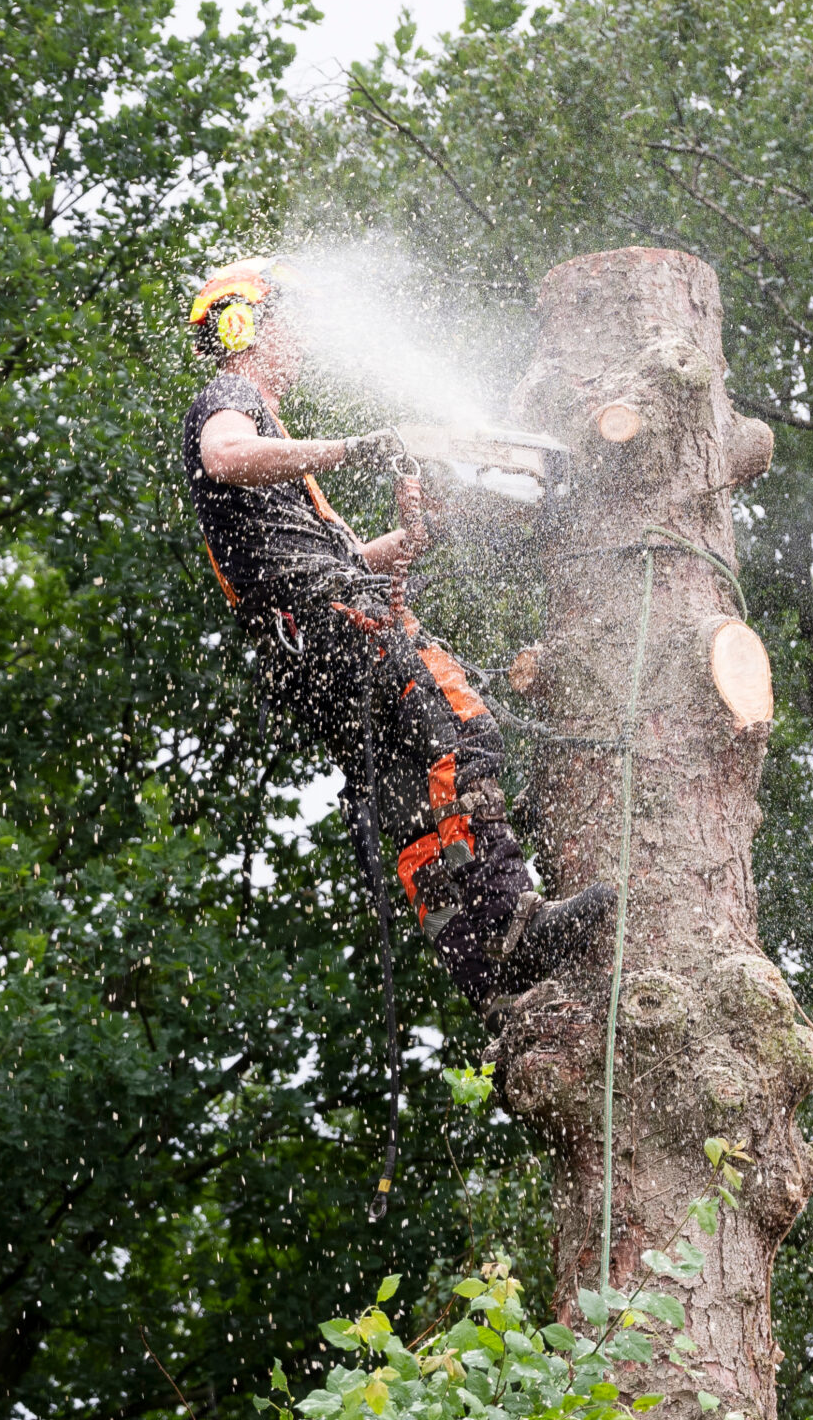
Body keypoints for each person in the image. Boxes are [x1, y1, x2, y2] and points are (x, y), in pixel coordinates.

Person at [181, 257, 612, 1011]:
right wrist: (355, 448)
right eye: (288, 323)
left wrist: (421, 530)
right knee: (462, 729)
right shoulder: (231, 397)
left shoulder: (275, 471)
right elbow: (224, 456)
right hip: (328, 620)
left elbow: (346, 560)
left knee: (413, 796)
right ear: (246, 324)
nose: (303, 341)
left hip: (309, 642)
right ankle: (515, 919)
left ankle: (486, 977)